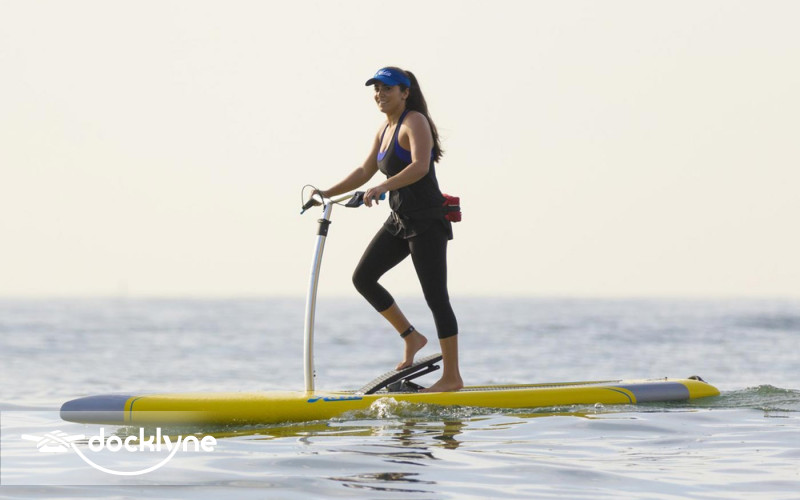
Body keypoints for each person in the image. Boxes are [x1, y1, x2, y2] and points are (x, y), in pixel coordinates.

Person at [311, 66, 462, 392]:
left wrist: (383, 187)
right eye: (376, 89)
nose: (380, 94)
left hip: (427, 222)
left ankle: (452, 377)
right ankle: (412, 337)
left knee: (436, 297)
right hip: (400, 221)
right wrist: (326, 193)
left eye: (387, 89)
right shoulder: (384, 129)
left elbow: (420, 166)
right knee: (363, 278)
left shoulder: (415, 121)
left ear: (405, 92)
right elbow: (364, 170)